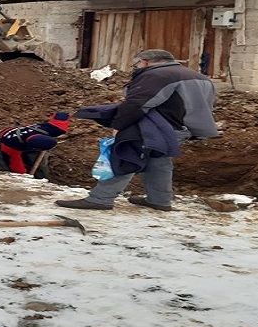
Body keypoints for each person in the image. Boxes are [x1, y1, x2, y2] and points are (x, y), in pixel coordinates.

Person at [56, 49, 218, 211]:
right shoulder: (200, 77)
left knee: (128, 155)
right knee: (158, 160)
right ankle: (159, 200)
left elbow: (137, 103)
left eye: (137, 64)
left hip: (157, 127)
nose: (136, 67)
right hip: (183, 128)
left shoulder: (157, 75)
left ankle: (100, 199)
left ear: (145, 62)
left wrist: (119, 125)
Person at [0, 112, 70, 179]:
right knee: (4, 169)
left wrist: (64, 114)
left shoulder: (56, 130)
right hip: (0, 139)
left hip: (27, 139)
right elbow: (13, 162)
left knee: (40, 166)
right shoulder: (11, 144)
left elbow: (60, 118)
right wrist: (23, 177)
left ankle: (42, 181)